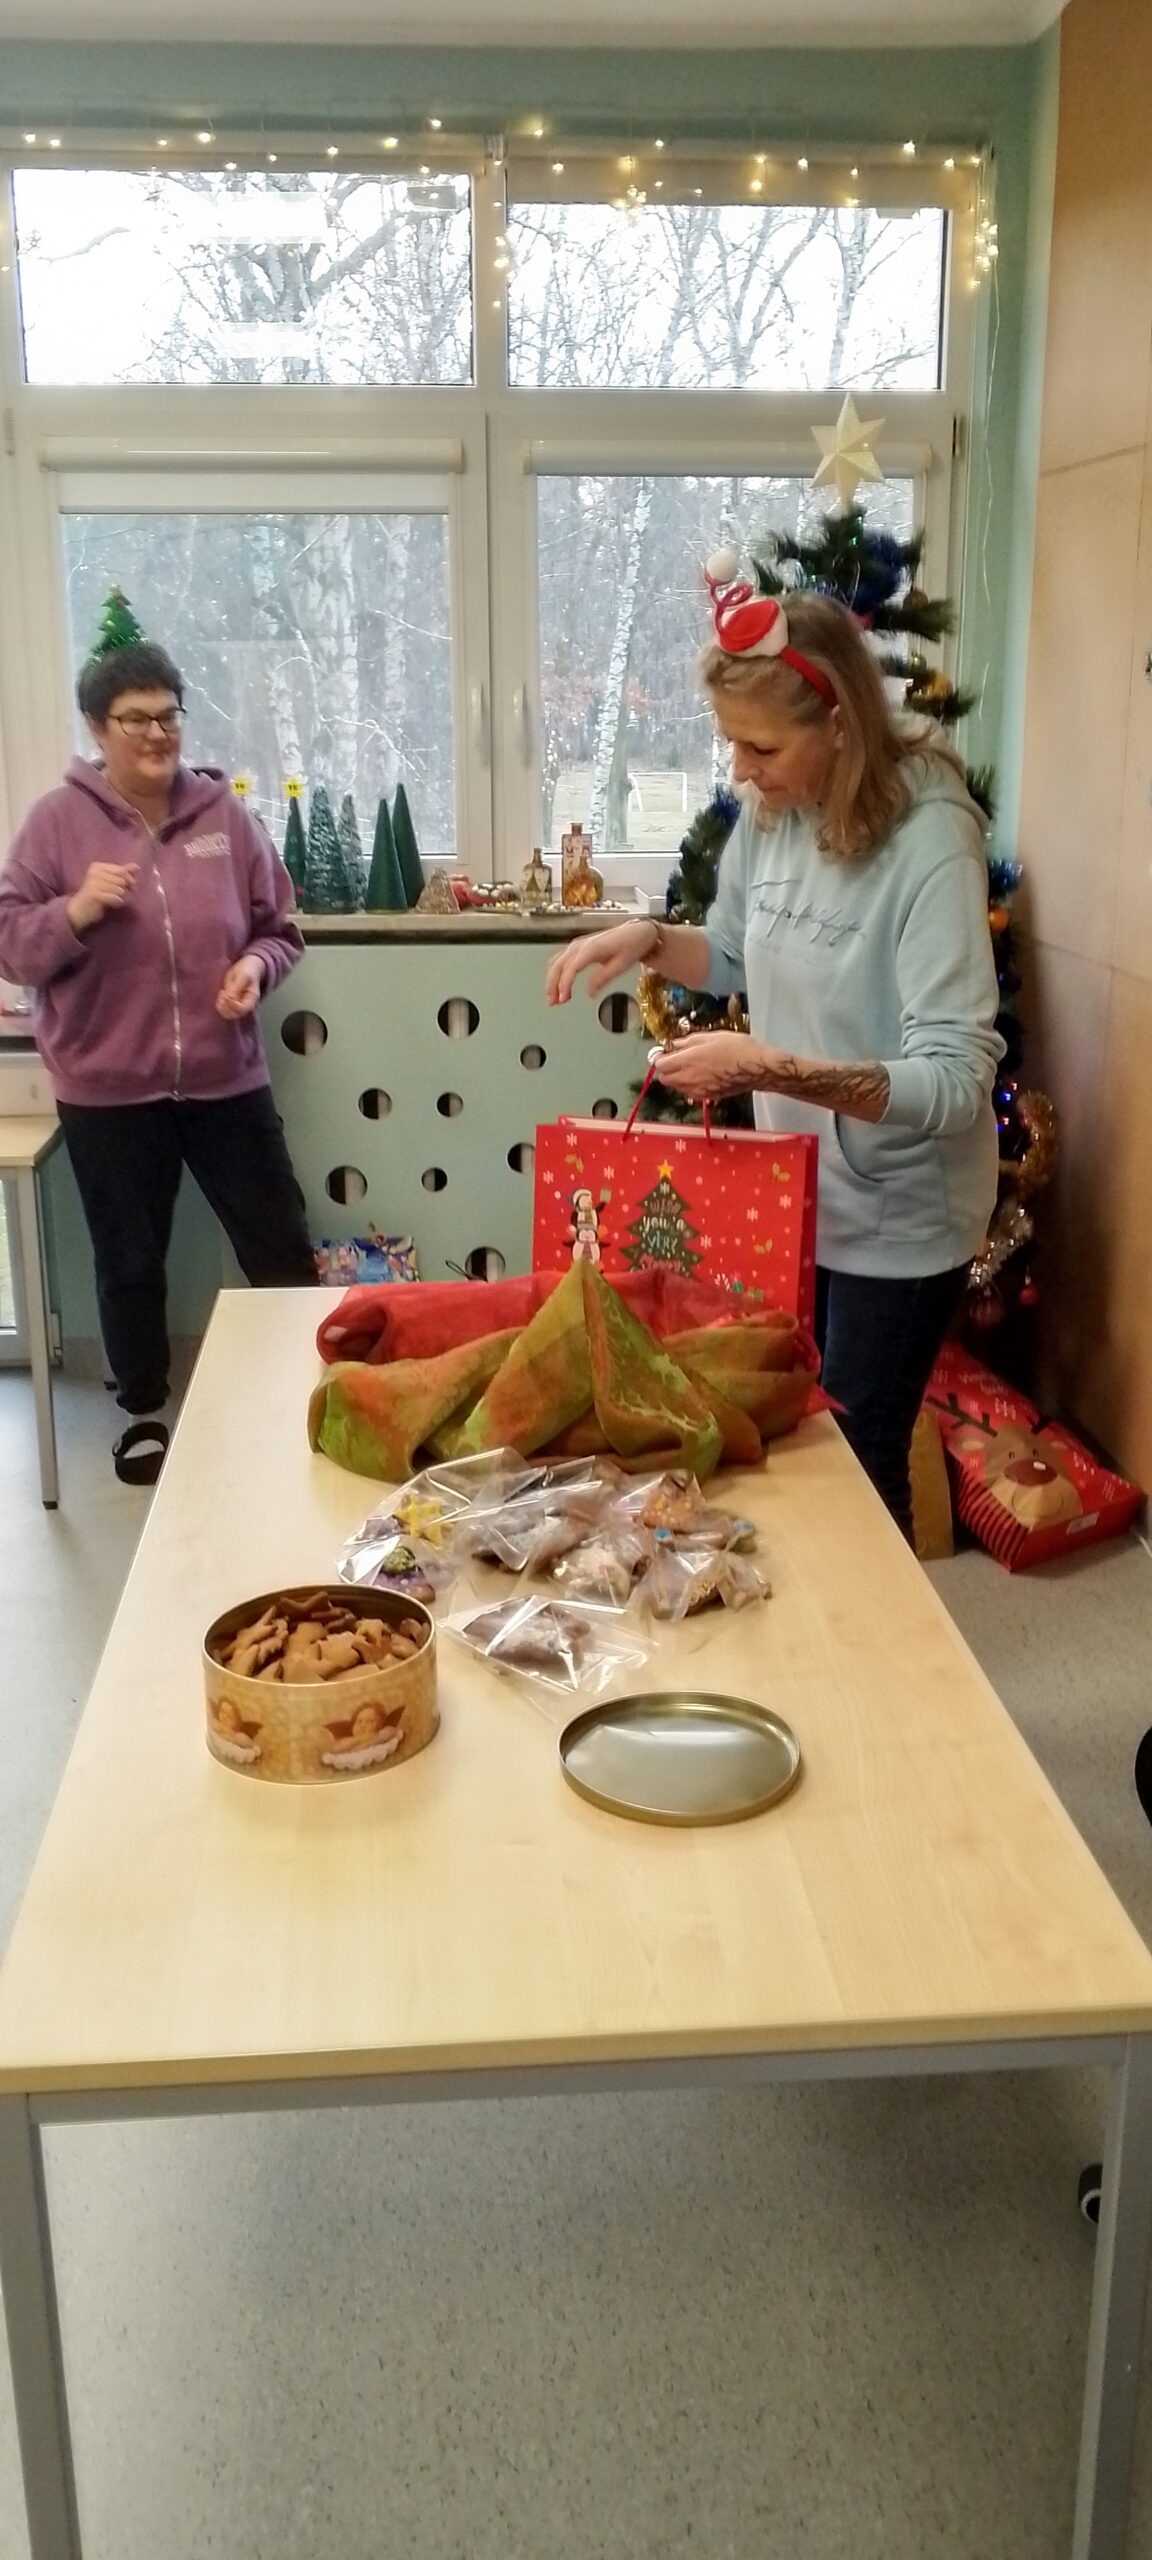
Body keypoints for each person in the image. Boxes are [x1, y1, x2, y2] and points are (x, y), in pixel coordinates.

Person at [546, 569, 1002, 1537]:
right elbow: (734, 949)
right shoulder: (775, 813)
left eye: (761, 747)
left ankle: (876, 1635)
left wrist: (767, 1067)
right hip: (798, 1195)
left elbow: (958, 1081)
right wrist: (649, 938)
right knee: (803, 1442)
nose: (742, 772)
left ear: (839, 723)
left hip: (900, 1214)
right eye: (732, 745)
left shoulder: (932, 843)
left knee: (859, 1459)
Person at [0, 635, 318, 1484]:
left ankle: (315, 1390)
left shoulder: (225, 818)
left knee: (280, 1243)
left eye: (168, 715)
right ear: (96, 728)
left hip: (226, 1080)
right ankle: (142, 1411)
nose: (156, 733)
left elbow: (280, 930)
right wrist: (74, 910)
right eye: (134, 718)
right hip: (107, 1093)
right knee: (130, 1264)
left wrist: (255, 969)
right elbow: (12, 948)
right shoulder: (54, 824)